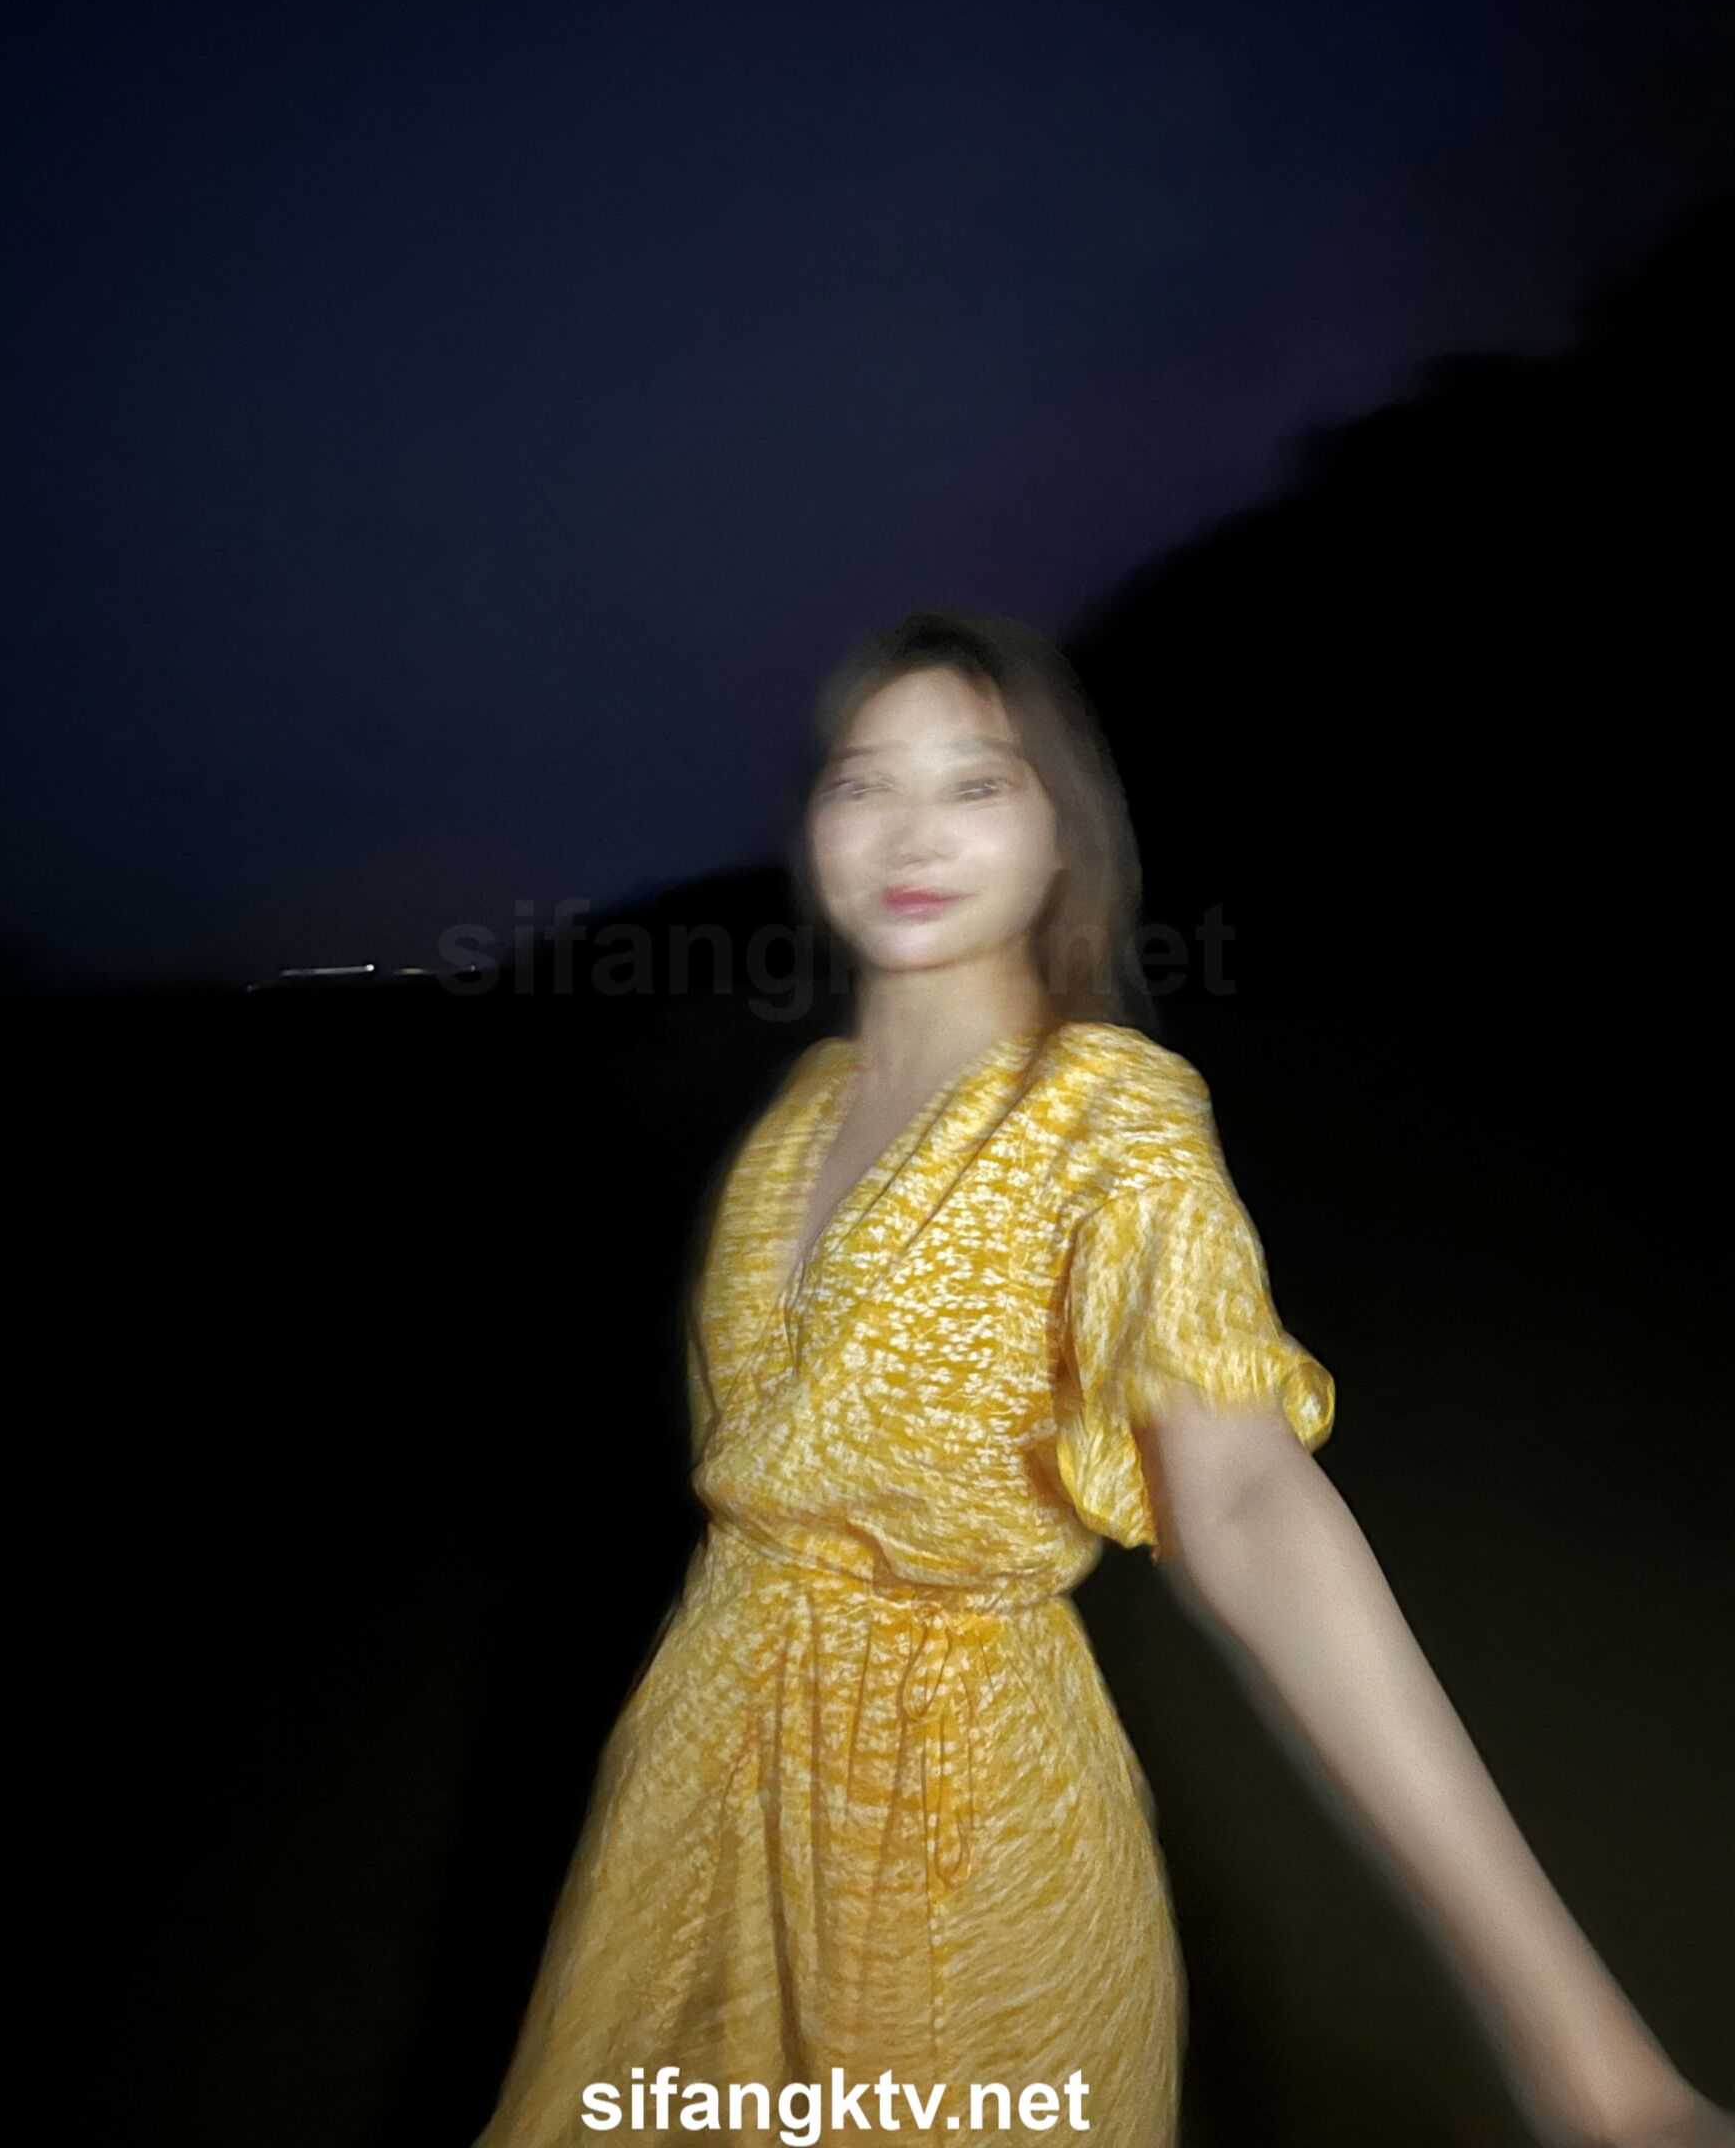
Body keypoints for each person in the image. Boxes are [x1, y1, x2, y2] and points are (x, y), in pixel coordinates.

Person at [468, 610, 1730, 2148]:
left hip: (960, 1849)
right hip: (697, 1807)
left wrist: (1590, 2058)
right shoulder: (798, 1112)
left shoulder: (1107, 1116)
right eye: (865, 783)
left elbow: (1247, 1503)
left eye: (977, 782)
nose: (913, 831)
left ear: (1064, 831)